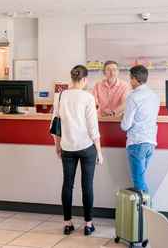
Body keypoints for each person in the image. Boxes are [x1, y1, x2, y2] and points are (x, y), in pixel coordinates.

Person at [51, 65, 104, 236]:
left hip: (67, 146)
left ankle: (67, 223)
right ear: (84, 80)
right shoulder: (88, 97)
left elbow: (56, 123)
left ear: (72, 78)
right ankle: (88, 224)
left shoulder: (60, 96)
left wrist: (57, 145)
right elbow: (92, 127)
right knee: (87, 186)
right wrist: (99, 151)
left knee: (68, 185)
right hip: (87, 147)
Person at [121, 65, 160, 192]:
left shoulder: (133, 97)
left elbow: (125, 125)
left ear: (134, 79)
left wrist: (123, 117)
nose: (129, 81)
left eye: (130, 78)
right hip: (150, 142)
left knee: (139, 183)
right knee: (141, 179)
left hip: (137, 143)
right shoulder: (154, 96)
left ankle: (147, 211)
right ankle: (144, 211)